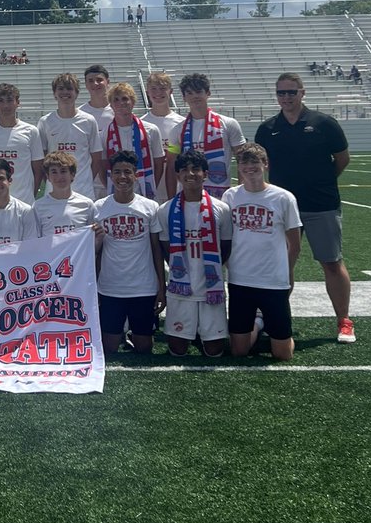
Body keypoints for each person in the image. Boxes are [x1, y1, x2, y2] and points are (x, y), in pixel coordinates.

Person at [255, 72, 355, 343]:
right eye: (281, 93)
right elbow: (262, 165)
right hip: (283, 208)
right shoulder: (267, 128)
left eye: (291, 92)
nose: (286, 97)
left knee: (331, 262)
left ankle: (343, 320)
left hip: (321, 204)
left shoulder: (324, 123)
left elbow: (342, 159)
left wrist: (321, 182)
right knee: (281, 265)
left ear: (302, 92)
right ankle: (275, 318)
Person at [224, 144, 301, 362]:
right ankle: (258, 323)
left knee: (282, 355)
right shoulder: (230, 196)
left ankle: (269, 326)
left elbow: (294, 245)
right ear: (238, 167)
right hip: (241, 280)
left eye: (254, 162)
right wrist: (232, 266)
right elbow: (225, 238)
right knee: (239, 351)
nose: (249, 167)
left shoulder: (283, 198)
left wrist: (285, 273)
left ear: (265, 164)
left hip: (272, 281)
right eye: (244, 163)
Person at [156, 150, 232, 358]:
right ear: (178, 175)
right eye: (184, 170)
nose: (190, 174)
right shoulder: (165, 210)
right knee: (177, 350)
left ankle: (205, 334)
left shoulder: (221, 209)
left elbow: (226, 246)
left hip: (211, 288)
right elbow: (165, 249)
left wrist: (210, 270)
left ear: (205, 174)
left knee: (214, 351)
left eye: (196, 169)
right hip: (181, 288)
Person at [93, 150, 165, 356]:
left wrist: (161, 287)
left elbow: (156, 249)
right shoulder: (99, 208)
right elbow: (96, 253)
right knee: (109, 348)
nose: (122, 177)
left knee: (145, 349)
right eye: (117, 172)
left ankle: (134, 337)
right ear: (111, 175)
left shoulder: (150, 207)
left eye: (127, 172)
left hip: (143, 287)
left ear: (136, 175)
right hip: (110, 288)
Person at [165, 73, 244, 200]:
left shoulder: (229, 124)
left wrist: (241, 194)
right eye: (189, 93)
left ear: (208, 93)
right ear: (184, 97)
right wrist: (171, 199)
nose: (195, 96)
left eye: (198, 91)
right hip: (188, 196)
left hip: (222, 196)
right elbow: (171, 166)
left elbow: (243, 160)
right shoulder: (176, 130)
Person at [36, 73, 103, 201]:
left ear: (77, 93)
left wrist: (85, 180)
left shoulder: (88, 121)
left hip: (84, 192)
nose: (65, 92)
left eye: (69, 88)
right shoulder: (45, 122)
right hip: (54, 192)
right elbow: (41, 160)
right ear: (54, 93)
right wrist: (52, 181)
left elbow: (97, 158)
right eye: (61, 88)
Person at [0, 82, 44, 204]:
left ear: (17, 102)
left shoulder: (31, 131)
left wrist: (31, 194)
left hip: (24, 201)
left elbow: (38, 170)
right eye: (1, 101)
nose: (6, 106)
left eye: (10, 100)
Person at [103, 83, 164, 199]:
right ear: (111, 105)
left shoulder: (151, 130)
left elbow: (159, 163)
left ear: (133, 102)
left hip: (144, 193)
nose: (121, 103)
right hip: (117, 194)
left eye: (125, 98)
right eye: (116, 100)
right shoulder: (104, 134)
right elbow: (102, 166)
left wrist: (150, 185)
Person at [140, 71, 184, 202]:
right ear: (147, 92)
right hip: (151, 191)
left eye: (163, 89)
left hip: (178, 189)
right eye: (153, 89)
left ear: (171, 91)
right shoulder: (141, 124)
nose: (158, 93)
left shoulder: (182, 123)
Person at [32, 152, 96, 238]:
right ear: (48, 177)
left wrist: (98, 239)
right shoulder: (38, 206)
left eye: (63, 171)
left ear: (72, 175)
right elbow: (35, 241)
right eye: (54, 172)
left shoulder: (87, 204)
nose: (59, 177)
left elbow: (91, 240)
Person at [79, 65, 114, 141]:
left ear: (107, 82)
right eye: (90, 81)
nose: (95, 83)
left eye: (99, 80)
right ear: (86, 84)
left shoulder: (118, 110)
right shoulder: (79, 113)